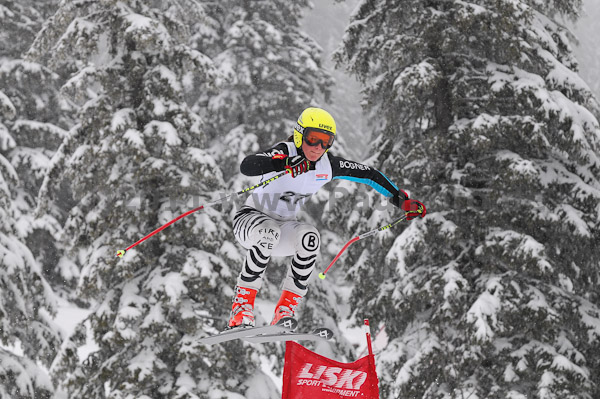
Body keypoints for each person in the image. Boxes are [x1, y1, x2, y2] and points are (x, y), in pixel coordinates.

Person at [228, 107, 426, 329]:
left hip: (282, 229)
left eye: (326, 142)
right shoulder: (284, 151)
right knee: (269, 231)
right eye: (312, 139)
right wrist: (283, 164)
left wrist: (401, 200)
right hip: (250, 222)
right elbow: (248, 165)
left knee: (310, 237)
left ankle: (284, 311)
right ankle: (241, 308)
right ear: (299, 135)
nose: (318, 148)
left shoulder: (327, 166)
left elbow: (369, 174)